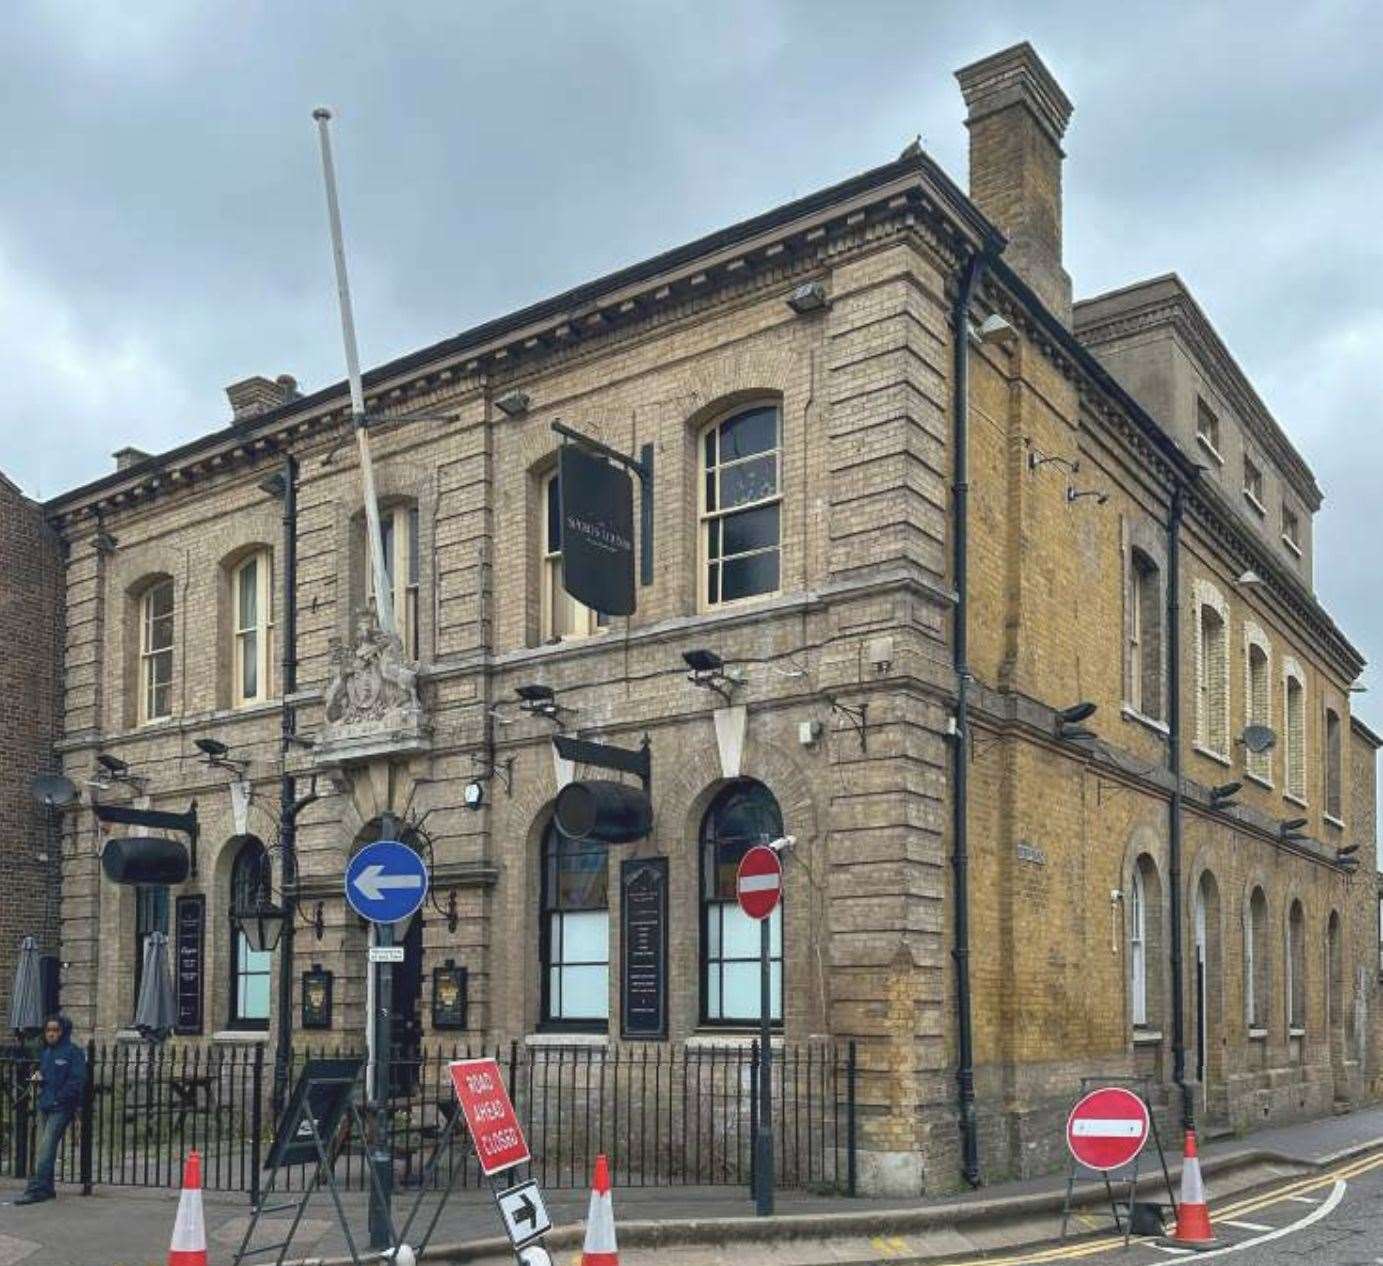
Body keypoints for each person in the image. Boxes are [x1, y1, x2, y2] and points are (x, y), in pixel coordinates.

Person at [15, 1014, 86, 1205]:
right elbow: (46, 1075)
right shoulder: (46, 1053)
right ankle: (46, 1187)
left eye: (55, 1030)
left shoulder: (73, 1052)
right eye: (48, 1030)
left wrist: (60, 1100)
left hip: (61, 1107)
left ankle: (37, 1189)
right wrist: (39, 1077)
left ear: (63, 1032)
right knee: (42, 1148)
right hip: (45, 1105)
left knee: (46, 1147)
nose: (51, 1034)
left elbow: (77, 1081)